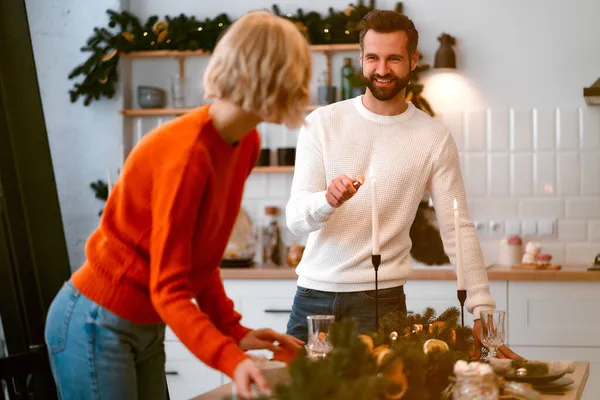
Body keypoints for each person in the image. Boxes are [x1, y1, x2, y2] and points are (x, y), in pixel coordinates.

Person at [44, 11, 311, 400]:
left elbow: (201, 261)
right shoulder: (187, 154)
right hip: (95, 321)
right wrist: (230, 357)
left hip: (145, 324)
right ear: (274, 77)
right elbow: (168, 289)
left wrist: (233, 331)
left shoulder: (245, 144)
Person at [285, 9, 520, 360]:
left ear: (412, 60)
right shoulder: (322, 124)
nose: (382, 70)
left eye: (394, 58)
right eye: (373, 58)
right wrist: (327, 201)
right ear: (361, 59)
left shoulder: (433, 137)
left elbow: (458, 228)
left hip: (380, 300)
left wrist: (482, 308)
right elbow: (295, 221)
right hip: (313, 297)